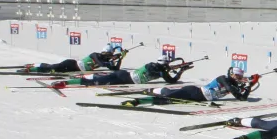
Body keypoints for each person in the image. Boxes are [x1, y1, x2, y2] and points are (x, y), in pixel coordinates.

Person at [122, 66, 259, 106]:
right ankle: (137, 101)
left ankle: (154, 90)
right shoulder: (223, 79)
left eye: (240, 77)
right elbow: (234, 92)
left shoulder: (234, 83)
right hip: (195, 92)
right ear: (231, 74)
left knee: (170, 97)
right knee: (168, 99)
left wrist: (249, 85)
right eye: (237, 76)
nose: (239, 78)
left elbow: (242, 98)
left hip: (200, 98)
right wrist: (246, 84)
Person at [50, 58, 187, 88]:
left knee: (99, 79)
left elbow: (171, 81)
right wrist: (169, 70)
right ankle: (66, 82)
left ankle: (78, 79)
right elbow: (156, 71)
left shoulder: (161, 70)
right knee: (97, 81)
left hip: (125, 77)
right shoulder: (152, 66)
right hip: (124, 77)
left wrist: (180, 71)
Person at [24, 44, 125, 73]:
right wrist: (113, 59)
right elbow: (102, 63)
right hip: (72, 64)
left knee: (54, 70)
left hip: (75, 70)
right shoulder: (95, 55)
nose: (108, 55)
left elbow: (116, 69)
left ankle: (35, 69)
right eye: (108, 54)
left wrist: (120, 58)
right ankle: (33, 67)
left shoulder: (106, 60)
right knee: (53, 67)